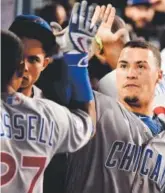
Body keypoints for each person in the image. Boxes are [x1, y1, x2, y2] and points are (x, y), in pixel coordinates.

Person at [0, 1, 102, 192]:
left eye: (34, 59)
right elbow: (88, 123)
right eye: (19, 56)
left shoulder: (54, 102)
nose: (24, 66)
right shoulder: (51, 114)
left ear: (45, 64)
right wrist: (77, 61)